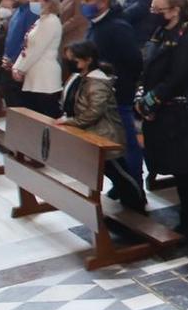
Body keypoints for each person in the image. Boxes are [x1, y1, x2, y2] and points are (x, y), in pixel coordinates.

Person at [137, 0, 188, 239]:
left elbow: (178, 77)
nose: (153, 14)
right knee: (181, 173)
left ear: (174, 10)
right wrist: (144, 96)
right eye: (153, 9)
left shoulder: (187, 37)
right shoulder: (162, 32)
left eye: (158, 10)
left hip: (186, 116)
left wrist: (153, 99)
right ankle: (187, 220)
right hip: (170, 114)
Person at [57, 39, 145, 211]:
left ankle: (138, 206)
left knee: (120, 174)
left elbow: (92, 113)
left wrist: (69, 122)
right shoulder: (80, 78)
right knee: (112, 173)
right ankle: (126, 202)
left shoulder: (97, 83)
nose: (70, 62)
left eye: (74, 59)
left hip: (106, 137)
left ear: (87, 60)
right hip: (92, 135)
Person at [81, 0, 144, 190]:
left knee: (125, 142)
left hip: (118, 95)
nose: (84, 4)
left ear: (103, 2)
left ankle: (134, 186)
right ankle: (120, 183)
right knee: (108, 142)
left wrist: (118, 82)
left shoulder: (117, 27)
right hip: (101, 95)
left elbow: (134, 61)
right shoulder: (95, 25)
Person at [11, 0, 64, 117]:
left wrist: (21, 68)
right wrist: (16, 66)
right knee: (33, 114)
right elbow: (27, 47)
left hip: (45, 75)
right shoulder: (40, 20)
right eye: (31, 0)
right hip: (34, 73)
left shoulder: (51, 21)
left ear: (48, 1)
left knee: (47, 112)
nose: (32, 3)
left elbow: (37, 49)